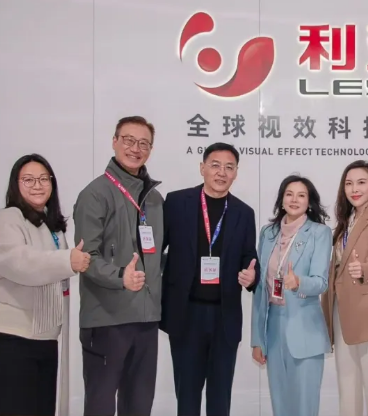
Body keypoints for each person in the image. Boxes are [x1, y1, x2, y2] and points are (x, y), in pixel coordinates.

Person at [0, 154, 89, 416]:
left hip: (43, 339)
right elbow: (21, 263)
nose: (37, 185)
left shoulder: (52, 224)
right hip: (8, 340)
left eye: (43, 179)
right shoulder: (7, 219)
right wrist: (67, 261)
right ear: (15, 184)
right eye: (28, 180)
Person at [73, 116, 164, 416]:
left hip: (146, 320)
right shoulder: (95, 194)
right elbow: (86, 258)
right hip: (107, 320)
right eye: (128, 140)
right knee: (100, 405)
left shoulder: (155, 200)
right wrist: (120, 277)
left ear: (150, 150)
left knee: (139, 406)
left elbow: (156, 256)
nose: (135, 149)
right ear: (114, 142)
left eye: (143, 143)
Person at [160, 142, 260, 416]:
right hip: (186, 314)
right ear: (202, 167)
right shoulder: (177, 202)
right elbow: (156, 249)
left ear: (236, 172)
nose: (221, 172)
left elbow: (249, 256)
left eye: (229, 167)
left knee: (220, 396)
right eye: (215, 165)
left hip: (224, 317)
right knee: (187, 396)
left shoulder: (243, 212)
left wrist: (251, 276)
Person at [251, 175, 333, 416]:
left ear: (309, 202)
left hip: (305, 328)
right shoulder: (268, 233)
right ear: (281, 199)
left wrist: (298, 283)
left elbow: (321, 282)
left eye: (301, 195)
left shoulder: (319, 233)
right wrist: (257, 339)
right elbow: (260, 289)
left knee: (305, 406)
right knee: (280, 404)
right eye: (289, 194)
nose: (294, 200)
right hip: (273, 329)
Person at [320, 160, 368, 416]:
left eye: (361, 182)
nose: (355, 189)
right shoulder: (344, 223)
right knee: (348, 390)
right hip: (341, 312)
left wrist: (364, 269)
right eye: (349, 183)